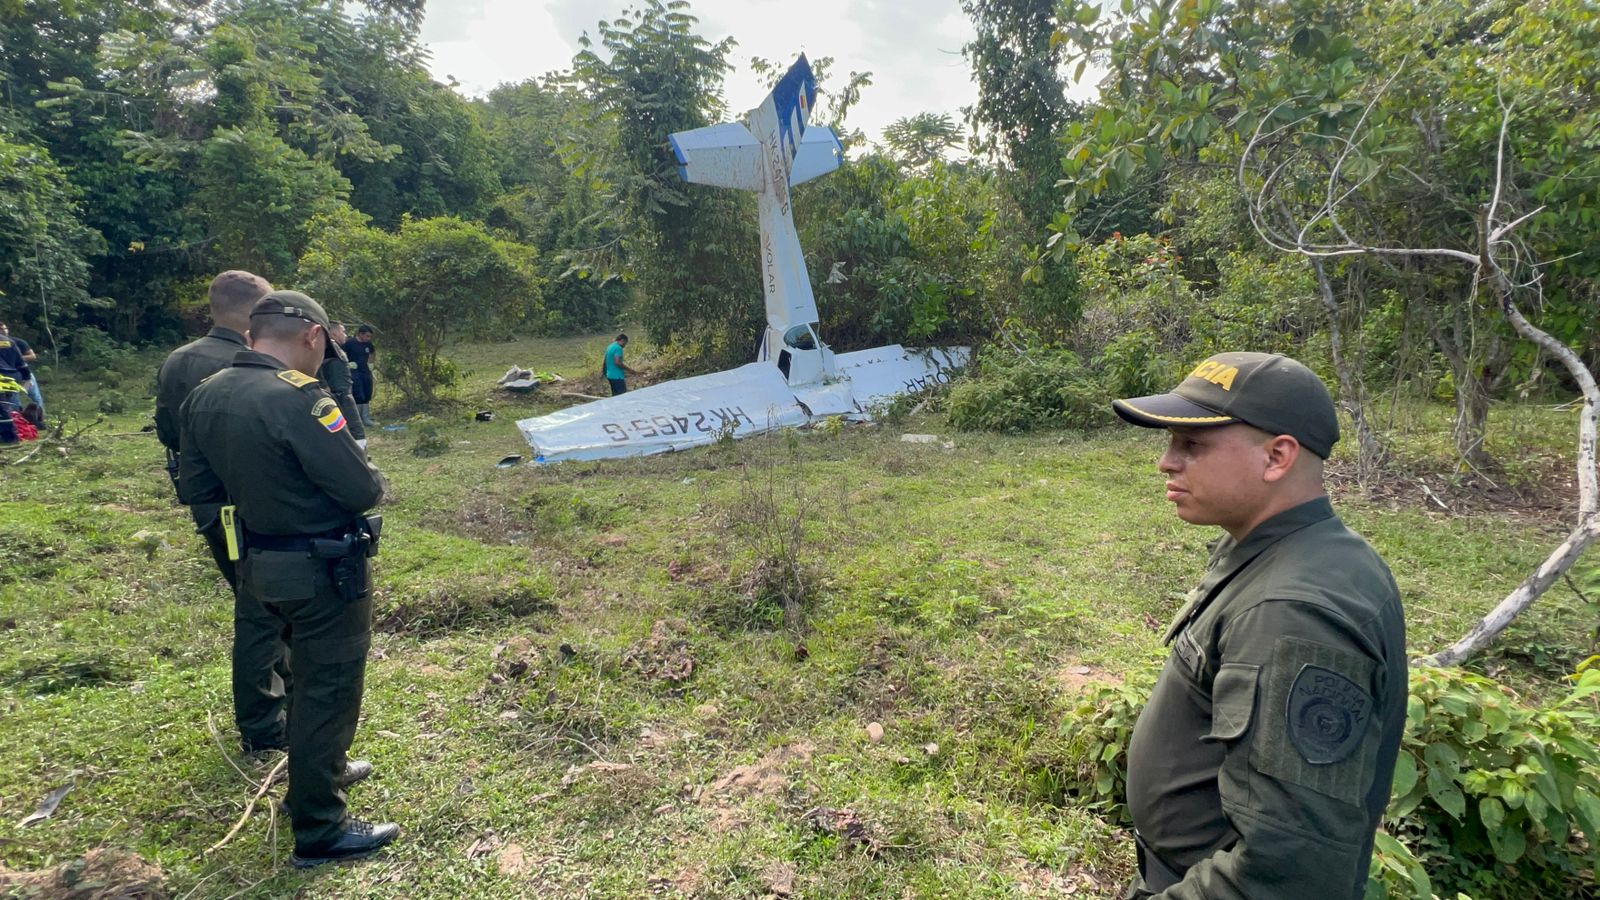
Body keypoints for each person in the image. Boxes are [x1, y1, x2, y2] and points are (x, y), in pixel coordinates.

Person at [1110, 351, 1406, 900]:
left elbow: (1287, 875)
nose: (1166, 463)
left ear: (1277, 456)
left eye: (1192, 444)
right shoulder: (1285, 549)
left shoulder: (1294, 611)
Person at [179, 290, 398, 867]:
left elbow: (198, 490)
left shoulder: (205, 394)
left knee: (297, 672)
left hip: (256, 564)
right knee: (327, 685)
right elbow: (360, 488)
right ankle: (321, 827)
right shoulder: (299, 399)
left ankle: (321, 769)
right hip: (323, 569)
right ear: (313, 337)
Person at [155, 270, 296, 754]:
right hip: (263, 509)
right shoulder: (259, 364)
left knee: (252, 600)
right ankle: (268, 723)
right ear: (258, 313)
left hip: (212, 508)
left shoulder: (178, 361)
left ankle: (275, 708)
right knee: (265, 612)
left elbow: (169, 433)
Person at [319, 323, 367, 449]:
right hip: (338, 394)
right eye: (343, 331)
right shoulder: (328, 347)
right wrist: (324, 385)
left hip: (344, 391)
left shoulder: (336, 347)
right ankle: (361, 454)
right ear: (334, 333)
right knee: (355, 427)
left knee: (349, 427)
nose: (345, 335)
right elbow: (317, 366)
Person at [0, 322, 43, 416]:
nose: (3, 331)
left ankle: (38, 417)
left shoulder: (17, 341)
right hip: (18, 374)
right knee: (14, 399)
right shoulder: (10, 343)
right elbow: (21, 362)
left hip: (15, 375)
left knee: (33, 396)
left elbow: (32, 356)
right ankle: (18, 420)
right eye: (1, 329)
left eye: (5, 328)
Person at [342, 324, 377, 426]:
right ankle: (357, 420)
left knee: (367, 393)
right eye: (367, 336)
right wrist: (347, 364)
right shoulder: (350, 343)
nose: (368, 338)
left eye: (369, 337)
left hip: (365, 371)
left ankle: (366, 418)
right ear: (360, 334)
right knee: (358, 394)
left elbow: (373, 353)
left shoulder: (368, 344)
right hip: (354, 372)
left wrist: (371, 364)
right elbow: (340, 354)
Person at [0, 326, 29, 416]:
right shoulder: (9, 341)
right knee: (12, 402)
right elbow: (21, 362)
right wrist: (27, 377)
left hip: (1, 377)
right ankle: (17, 424)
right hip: (13, 376)